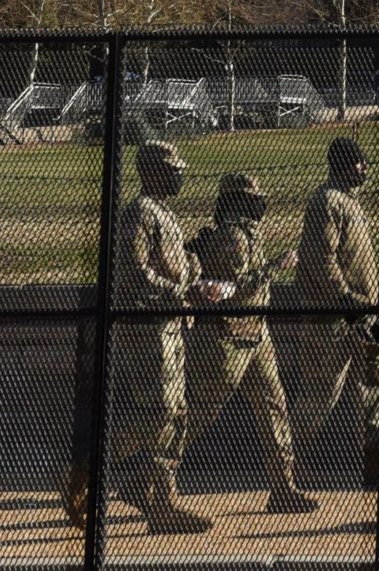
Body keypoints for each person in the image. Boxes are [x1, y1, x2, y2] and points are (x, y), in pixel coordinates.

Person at [82, 139, 219, 534]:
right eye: (173, 168)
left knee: (175, 414)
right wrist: (181, 292)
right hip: (147, 329)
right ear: (153, 172)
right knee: (158, 414)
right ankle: (88, 467)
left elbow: (174, 269)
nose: (181, 174)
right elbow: (134, 272)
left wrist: (197, 264)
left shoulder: (165, 214)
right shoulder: (140, 214)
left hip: (171, 325)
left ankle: (161, 502)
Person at [187, 173, 320, 514]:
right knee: (202, 411)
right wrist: (277, 265)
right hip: (229, 335)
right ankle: (150, 477)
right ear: (236, 200)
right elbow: (237, 286)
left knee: (274, 408)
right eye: (251, 197)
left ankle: (283, 487)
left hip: (255, 334)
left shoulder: (246, 232)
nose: (259, 202)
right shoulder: (232, 235)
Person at [294, 134, 379, 487]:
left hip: (363, 315)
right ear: (345, 165)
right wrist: (345, 299)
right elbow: (321, 259)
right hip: (331, 316)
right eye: (360, 162)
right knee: (319, 394)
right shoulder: (326, 202)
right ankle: (290, 465)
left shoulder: (350, 202)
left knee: (372, 390)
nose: (365, 168)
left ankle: (374, 467)